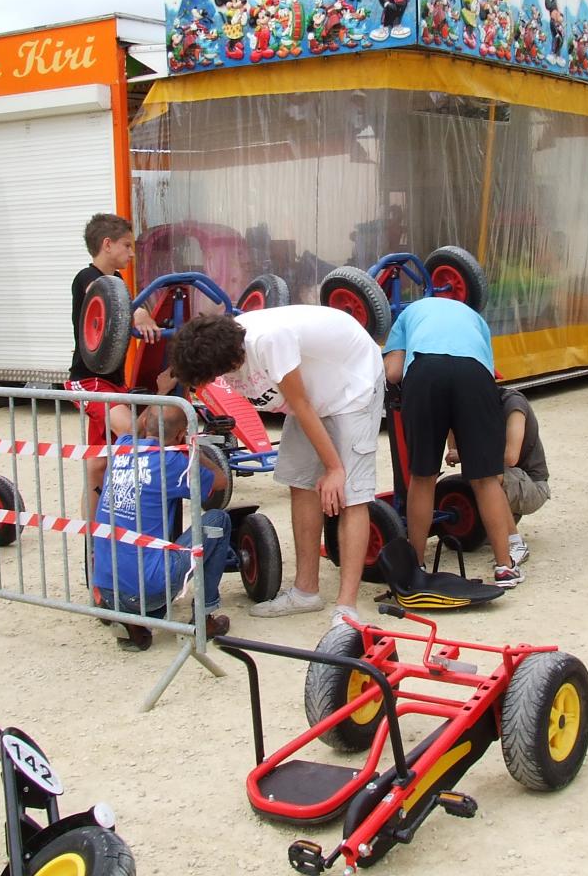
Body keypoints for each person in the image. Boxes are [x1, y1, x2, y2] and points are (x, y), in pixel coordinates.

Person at [169, 305, 384, 628]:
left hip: (351, 387)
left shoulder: (269, 341)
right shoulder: (216, 347)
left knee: (351, 494)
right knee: (300, 480)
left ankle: (346, 606)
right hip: (310, 398)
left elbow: (301, 404)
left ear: (228, 363)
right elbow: (301, 406)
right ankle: (306, 591)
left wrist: (334, 468)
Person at [382, 296, 524, 587]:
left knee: (422, 477)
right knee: (485, 478)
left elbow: (393, 372)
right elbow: (467, 377)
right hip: (474, 374)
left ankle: (416, 566)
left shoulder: (409, 313)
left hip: (425, 372)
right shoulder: (475, 318)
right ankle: (505, 566)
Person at [91, 402, 232, 651]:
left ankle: (131, 618)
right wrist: (193, 451)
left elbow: (137, 427)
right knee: (218, 521)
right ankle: (204, 616)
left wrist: (161, 393)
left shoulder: (121, 447)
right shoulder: (173, 464)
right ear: (180, 436)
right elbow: (221, 481)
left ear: (145, 423)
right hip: (145, 589)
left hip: (106, 587)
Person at [65, 213, 161, 521]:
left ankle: (93, 543)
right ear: (107, 245)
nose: (132, 253)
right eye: (127, 246)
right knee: (131, 429)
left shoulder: (117, 282)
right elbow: (114, 305)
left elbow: (126, 304)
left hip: (113, 382)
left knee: (97, 463)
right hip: (88, 381)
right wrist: (139, 314)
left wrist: (144, 313)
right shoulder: (87, 278)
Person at [447, 386, 548, 565]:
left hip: (533, 485)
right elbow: (453, 449)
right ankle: (497, 526)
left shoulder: (513, 403)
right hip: (508, 479)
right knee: (477, 474)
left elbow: (510, 457)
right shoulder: (474, 406)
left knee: (486, 474)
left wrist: (465, 455)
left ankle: (516, 543)